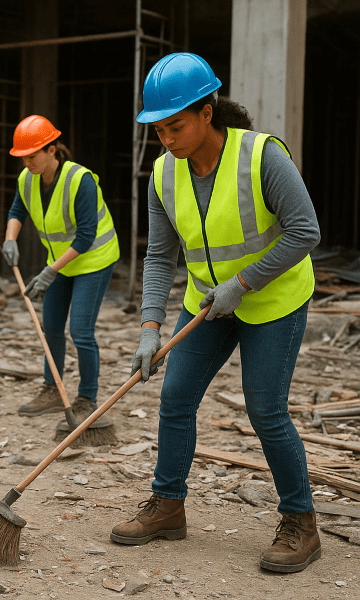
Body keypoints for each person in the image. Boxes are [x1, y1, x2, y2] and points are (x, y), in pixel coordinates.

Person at [112, 52, 321, 573]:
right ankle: (168, 506)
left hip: (273, 299)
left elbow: (305, 231)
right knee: (176, 397)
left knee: (264, 410)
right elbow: (159, 256)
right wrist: (149, 328)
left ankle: (302, 523)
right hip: (206, 302)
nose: (166, 139)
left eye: (175, 126)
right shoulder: (163, 175)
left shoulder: (261, 157)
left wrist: (245, 282)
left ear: (208, 112)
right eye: (157, 130)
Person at [1, 115, 119, 432]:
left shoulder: (80, 181)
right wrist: (10, 239)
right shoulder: (27, 179)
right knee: (51, 327)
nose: (27, 162)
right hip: (61, 262)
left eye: (33, 155)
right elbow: (17, 211)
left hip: (93, 259)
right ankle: (53, 389)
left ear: (52, 149)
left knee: (80, 331)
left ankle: (87, 398)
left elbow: (85, 236)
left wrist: (49, 272)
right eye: (22, 156)